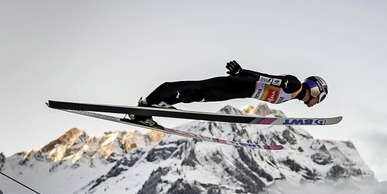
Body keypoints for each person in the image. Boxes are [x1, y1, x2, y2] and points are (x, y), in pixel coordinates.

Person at [124, 60, 328, 127]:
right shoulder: (293, 85)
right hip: (241, 85)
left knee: (198, 94)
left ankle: (142, 113)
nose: (317, 102)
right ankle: (150, 104)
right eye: (320, 98)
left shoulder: (293, 93)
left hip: (242, 90)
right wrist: (242, 72)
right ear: (315, 90)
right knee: (197, 89)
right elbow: (267, 78)